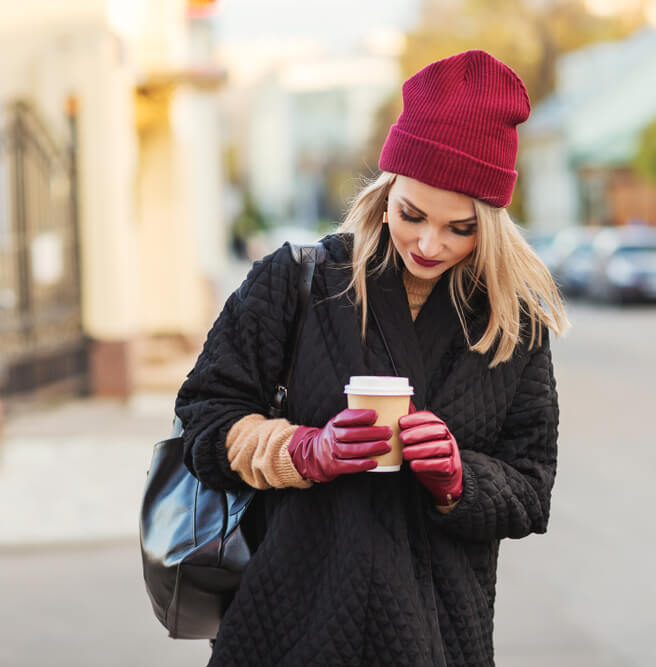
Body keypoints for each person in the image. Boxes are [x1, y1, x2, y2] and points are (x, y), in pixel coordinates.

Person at [175, 50, 569, 666]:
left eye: (460, 228)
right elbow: (203, 421)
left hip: (438, 638)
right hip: (285, 626)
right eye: (412, 214)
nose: (429, 243)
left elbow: (530, 491)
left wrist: (458, 478)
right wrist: (303, 450)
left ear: (490, 223)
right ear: (387, 189)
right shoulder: (294, 283)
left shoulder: (513, 325)